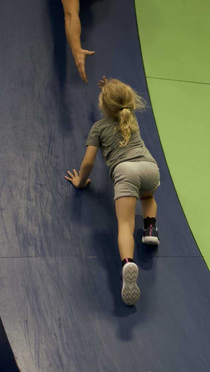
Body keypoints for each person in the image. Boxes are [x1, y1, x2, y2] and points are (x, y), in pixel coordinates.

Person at [64, 77, 160, 306]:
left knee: (125, 224)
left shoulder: (98, 127)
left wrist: (81, 181)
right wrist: (111, 86)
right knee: (148, 197)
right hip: (150, 168)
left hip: (125, 172)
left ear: (102, 106)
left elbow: (87, 163)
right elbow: (122, 99)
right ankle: (149, 229)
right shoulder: (131, 118)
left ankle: (127, 262)